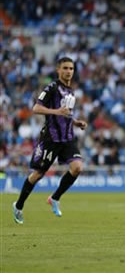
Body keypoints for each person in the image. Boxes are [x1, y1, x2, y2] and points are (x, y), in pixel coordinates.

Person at [12, 57, 87, 224]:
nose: (69, 71)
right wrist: (56, 111)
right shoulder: (52, 87)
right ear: (58, 70)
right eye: (65, 68)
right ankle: (18, 205)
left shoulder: (71, 91)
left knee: (77, 167)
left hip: (67, 137)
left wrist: (76, 122)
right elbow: (36, 108)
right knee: (38, 174)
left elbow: (65, 114)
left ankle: (55, 197)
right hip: (51, 138)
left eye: (71, 68)